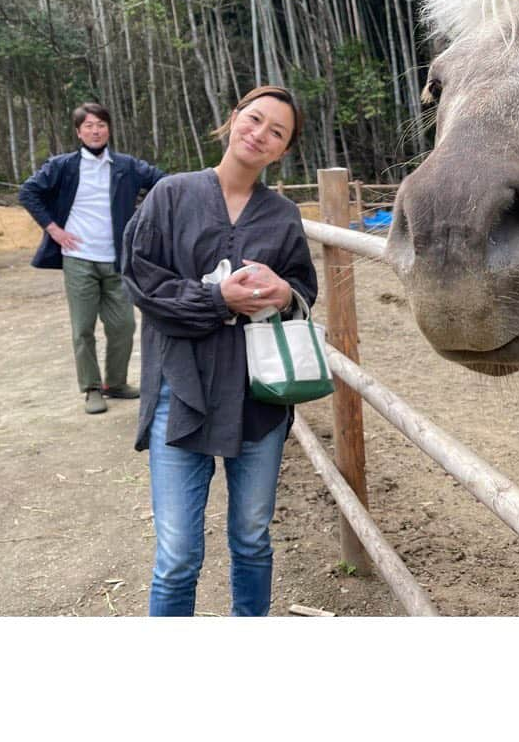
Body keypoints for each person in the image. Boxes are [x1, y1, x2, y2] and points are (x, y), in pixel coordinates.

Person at [121, 86, 317, 617]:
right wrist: (214, 298)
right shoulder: (171, 194)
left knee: (252, 538)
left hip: (258, 398)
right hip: (179, 391)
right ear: (232, 121)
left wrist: (285, 292)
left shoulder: (281, 216)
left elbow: (304, 285)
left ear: (283, 150)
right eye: (254, 120)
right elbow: (141, 279)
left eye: (276, 132)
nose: (260, 134)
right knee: (178, 555)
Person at [20, 102, 165, 415]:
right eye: (88, 126)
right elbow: (28, 192)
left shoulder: (126, 166)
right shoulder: (63, 166)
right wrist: (53, 229)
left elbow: (163, 183)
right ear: (78, 131)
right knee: (83, 328)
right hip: (78, 258)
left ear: (109, 128)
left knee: (123, 326)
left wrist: (143, 220)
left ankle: (116, 383)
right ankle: (91, 388)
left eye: (100, 124)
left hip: (117, 259)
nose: (95, 130)